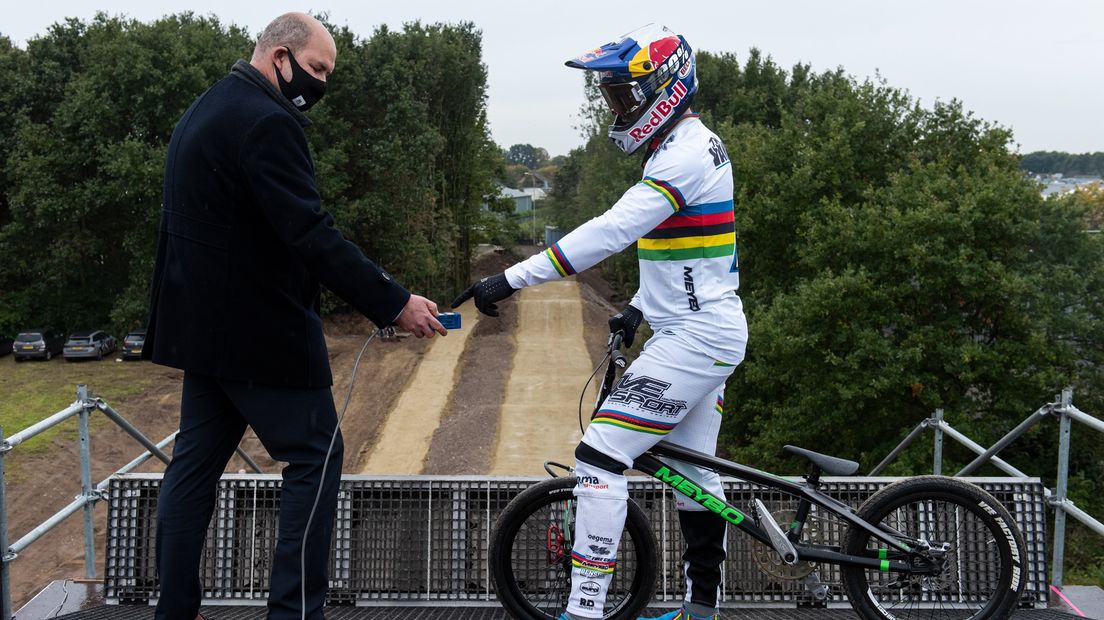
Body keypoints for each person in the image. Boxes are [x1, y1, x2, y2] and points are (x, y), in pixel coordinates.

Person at [143, 12, 446, 620]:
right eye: (315, 69)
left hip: (203, 335)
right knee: (316, 457)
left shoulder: (206, 108)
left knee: (194, 469)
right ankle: (295, 612)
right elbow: (310, 232)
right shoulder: (268, 123)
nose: (320, 85)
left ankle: (174, 608)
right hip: (261, 336)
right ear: (278, 56)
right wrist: (394, 301)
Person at [452, 24, 746, 620]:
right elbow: (685, 255)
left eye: (621, 96)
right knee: (695, 476)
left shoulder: (684, 154)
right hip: (700, 329)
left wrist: (508, 279)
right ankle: (701, 610)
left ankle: (585, 612)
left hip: (698, 337)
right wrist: (638, 306)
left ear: (662, 89)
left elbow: (612, 231)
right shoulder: (680, 146)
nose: (615, 108)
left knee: (599, 457)